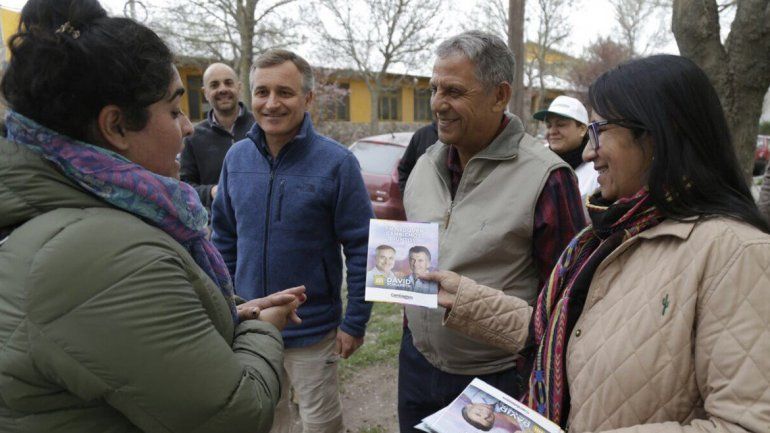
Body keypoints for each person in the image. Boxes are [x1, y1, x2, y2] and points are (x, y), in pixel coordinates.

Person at [0, 1, 304, 432]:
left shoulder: (86, 218)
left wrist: (230, 315)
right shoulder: (104, 254)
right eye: (174, 109)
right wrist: (261, 330)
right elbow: (237, 414)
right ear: (116, 127)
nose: (187, 127)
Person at [424, 55, 770, 432]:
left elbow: (746, 424)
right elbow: (566, 333)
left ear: (657, 134)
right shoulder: (611, 233)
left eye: (599, 131)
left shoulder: (737, 254)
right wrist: (465, 300)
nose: (589, 152)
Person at [398, 31, 586, 432]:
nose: (437, 104)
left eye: (454, 91)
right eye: (434, 89)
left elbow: (571, 299)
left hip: (496, 379)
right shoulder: (425, 164)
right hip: (415, 364)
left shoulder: (548, 177)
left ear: (500, 96)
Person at [211, 49, 374, 433]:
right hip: (252, 328)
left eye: (284, 92)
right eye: (261, 91)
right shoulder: (236, 159)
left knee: (320, 423)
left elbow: (363, 246)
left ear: (308, 98)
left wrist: (355, 322)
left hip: (314, 333)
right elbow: (223, 241)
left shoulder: (337, 164)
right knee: (266, 421)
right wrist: (227, 309)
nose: (271, 103)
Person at [180, 62, 254, 208]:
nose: (222, 89)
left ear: (239, 87)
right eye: (214, 85)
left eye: (228, 83)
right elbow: (184, 187)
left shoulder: (260, 127)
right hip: (214, 224)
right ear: (205, 93)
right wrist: (212, 192)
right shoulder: (193, 137)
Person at [533, 95, 599, 204]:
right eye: (549, 126)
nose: (552, 131)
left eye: (561, 125)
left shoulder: (598, 168)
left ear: (582, 129)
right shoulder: (536, 160)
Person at [397, 121, 438, 195]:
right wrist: (408, 198)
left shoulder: (462, 139)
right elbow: (404, 169)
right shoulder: (421, 136)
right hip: (423, 204)